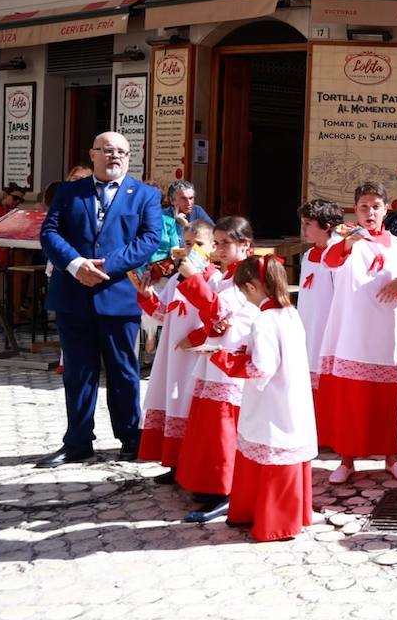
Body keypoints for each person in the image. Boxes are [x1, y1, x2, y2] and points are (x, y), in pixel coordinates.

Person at [37, 132, 163, 467]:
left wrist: (107, 267)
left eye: (122, 151)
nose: (115, 156)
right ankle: (77, 442)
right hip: (72, 295)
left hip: (118, 294)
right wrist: (76, 264)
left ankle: (130, 439)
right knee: (78, 372)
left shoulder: (145, 195)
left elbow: (149, 238)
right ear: (93, 154)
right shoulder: (68, 192)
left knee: (123, 371)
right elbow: (49, 233)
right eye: (107, 150)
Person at [208, 255, 317, 542]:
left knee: (269, 446)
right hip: (292, 397)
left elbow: (262, 368)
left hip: (271, 400)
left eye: (243, 292)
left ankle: (275, 522)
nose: (244, 298)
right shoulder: (290, 313)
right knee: (280, 446)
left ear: (253, 287)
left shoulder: (264, 320)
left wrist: (222, 359)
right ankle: (290, 514)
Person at [318, 181, 397, 483]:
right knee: (351, 397)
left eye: (376, 206)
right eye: (364, 206)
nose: (370, 212)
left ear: (386, 209)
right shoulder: (346, 241)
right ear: (356, 210)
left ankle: (391, 456)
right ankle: (347, 460)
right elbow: (329, 262)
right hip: (349, 329)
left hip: (383, 332)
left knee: (385, 397)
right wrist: (349, 242)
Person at [174, 216, 259, 523]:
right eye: (218, 243)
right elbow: (215, 315)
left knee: (224, 424)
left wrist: (193, 280)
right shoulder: (226, 276)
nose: (221, 249)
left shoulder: (249, 274)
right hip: (218, 353)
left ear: (245, 245)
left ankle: (225, 489)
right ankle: (209, 483)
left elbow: (224, 310)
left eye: (227, 243)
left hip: (235, 354)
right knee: (210, 422)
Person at [134, 220, 216, 481]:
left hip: (196, 356)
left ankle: (192, 465)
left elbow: (220, 317)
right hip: (172, 356)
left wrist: (196, 338)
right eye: (188, 244)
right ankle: (174, 463)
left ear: (212, 248)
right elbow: (163, 314)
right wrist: (147, 295)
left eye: (200, 245)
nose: (193, 250)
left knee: (189, 405)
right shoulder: (175, 281)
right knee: (172, 402)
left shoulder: (216, 280)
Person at [297, 199, 343, 439]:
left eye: (308, 223)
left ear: (326, 225)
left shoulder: (339, 255)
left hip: (329, 330)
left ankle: (331, 433)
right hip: (308, 328)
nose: (303, 229)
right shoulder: (308, 256)